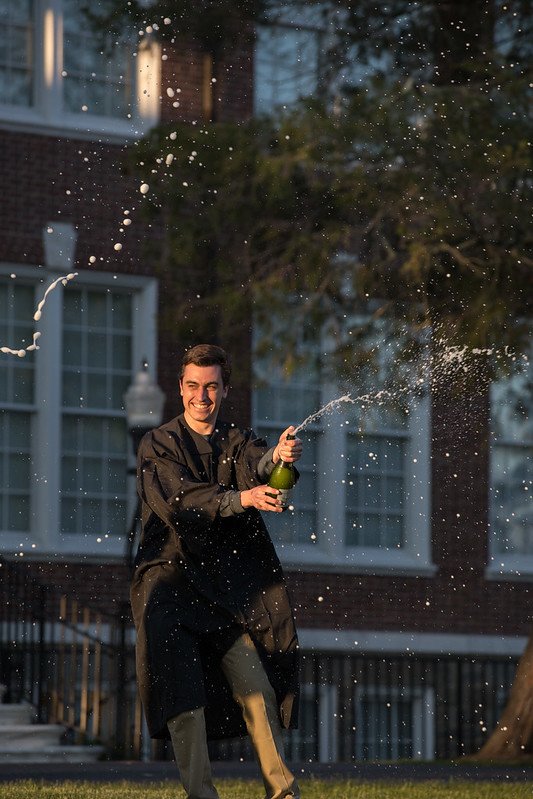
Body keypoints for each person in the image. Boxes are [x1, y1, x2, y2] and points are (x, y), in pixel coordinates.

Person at [130, 344, 303, 799]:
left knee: (257, 690)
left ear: (225, 389)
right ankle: (202, 796)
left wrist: (279, 458)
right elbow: (181, 501)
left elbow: (257, 463)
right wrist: (242, 499)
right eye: (192, 386)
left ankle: (283, 793)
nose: (201, 396)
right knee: (186, 706)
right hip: (168, 586)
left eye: (211, 387)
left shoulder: (236, 439)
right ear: (180, 388)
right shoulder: (158, 444)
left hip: (224, 593)